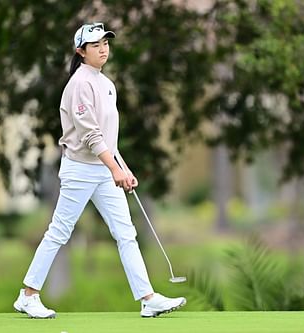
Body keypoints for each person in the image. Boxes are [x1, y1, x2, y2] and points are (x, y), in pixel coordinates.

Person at [13, 23, 186, 319]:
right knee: (59, 232)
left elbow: (108, 138)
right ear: (81, 52)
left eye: (105, 43)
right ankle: (28, 296)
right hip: (80, 170)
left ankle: (147, 298)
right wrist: (114, 169)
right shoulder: (80, 84)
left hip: (104, 169)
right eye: (95, 45)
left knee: (125, 233)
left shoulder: (105, 83)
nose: (103, 49)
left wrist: (123, 169)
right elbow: (90, 136)